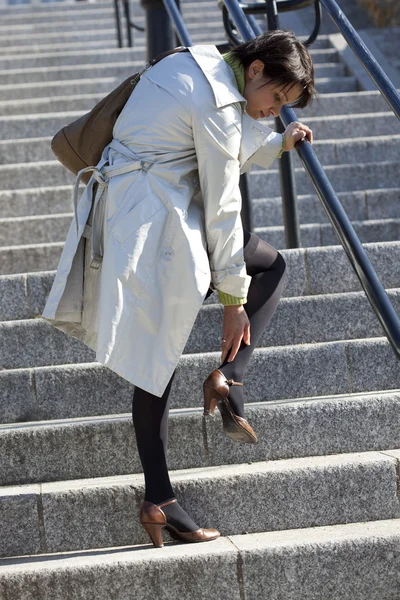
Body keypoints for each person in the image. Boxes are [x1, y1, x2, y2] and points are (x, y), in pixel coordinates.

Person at [41, 29, 315, 548]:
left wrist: (278, 141)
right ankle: (161, 495)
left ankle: (227, 380)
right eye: (276, 99)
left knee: (266, 270)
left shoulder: (198, 67)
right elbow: (223, 203)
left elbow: (219, 146)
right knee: (156, 362)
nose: (273, 110)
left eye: (285, 105)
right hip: (153, 225)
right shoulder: (213, 99)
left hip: (153, 211)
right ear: (255, 70)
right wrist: (234, 303)